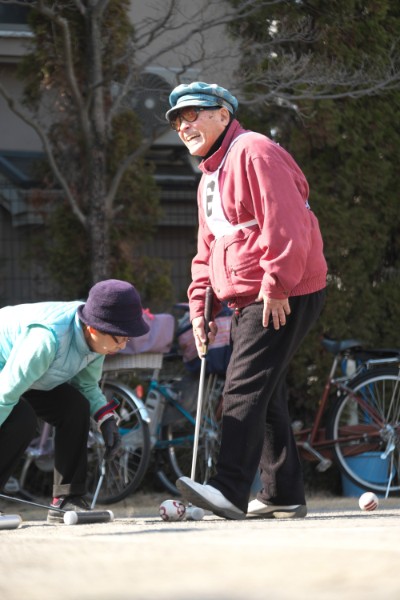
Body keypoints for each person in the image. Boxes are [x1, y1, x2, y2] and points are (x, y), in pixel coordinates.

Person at [165, 82, 328, 520]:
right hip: (248, 294)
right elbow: (207, 249)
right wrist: (201, 307)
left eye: (194, 113)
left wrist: (276, 283)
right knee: (264, 392)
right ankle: (282, 493)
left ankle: (228, 488)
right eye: (178, 120)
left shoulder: (254, 151)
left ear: (223, 113)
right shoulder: (209, 177)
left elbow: (286, 222)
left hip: (279, 292)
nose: (185, 125)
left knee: (243, 388)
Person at [0, 279, 149, 523]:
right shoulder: (47, 339)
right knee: (21, 418)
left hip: (31, 372)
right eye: (118, 338)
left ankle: (67, 500)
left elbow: (87, 385)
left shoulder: (99, 342)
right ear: (94, 328)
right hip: (9, 368)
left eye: (127, 339)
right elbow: (5, 395)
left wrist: (106, 419)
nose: (122, 345)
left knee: (75, 407)